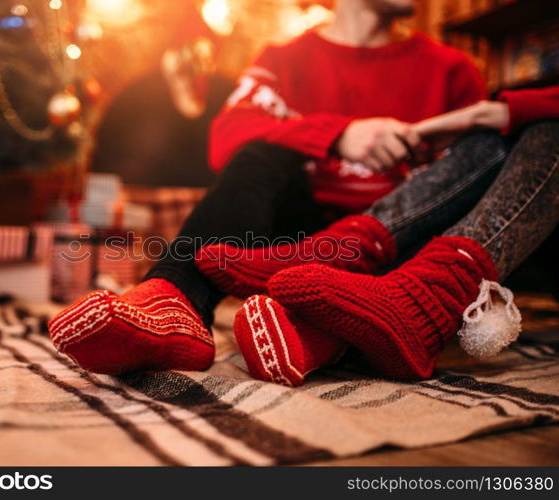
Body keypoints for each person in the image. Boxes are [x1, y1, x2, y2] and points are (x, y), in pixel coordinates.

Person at [48, 0, 489, 374]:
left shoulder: (450, 69)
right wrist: (338, 135)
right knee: (258, 153)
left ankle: (315, 326)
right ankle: (176, 299)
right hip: (295, 238)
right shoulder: (284, 60)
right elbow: (225, 141)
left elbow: (480, 169)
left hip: (397, 246)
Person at [228, 85, 559, 386]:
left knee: (548, 129)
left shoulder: (452, 67)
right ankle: (336, 312)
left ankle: (423, 295)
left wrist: (492, 111)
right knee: (493, 138)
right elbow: (227, 134)